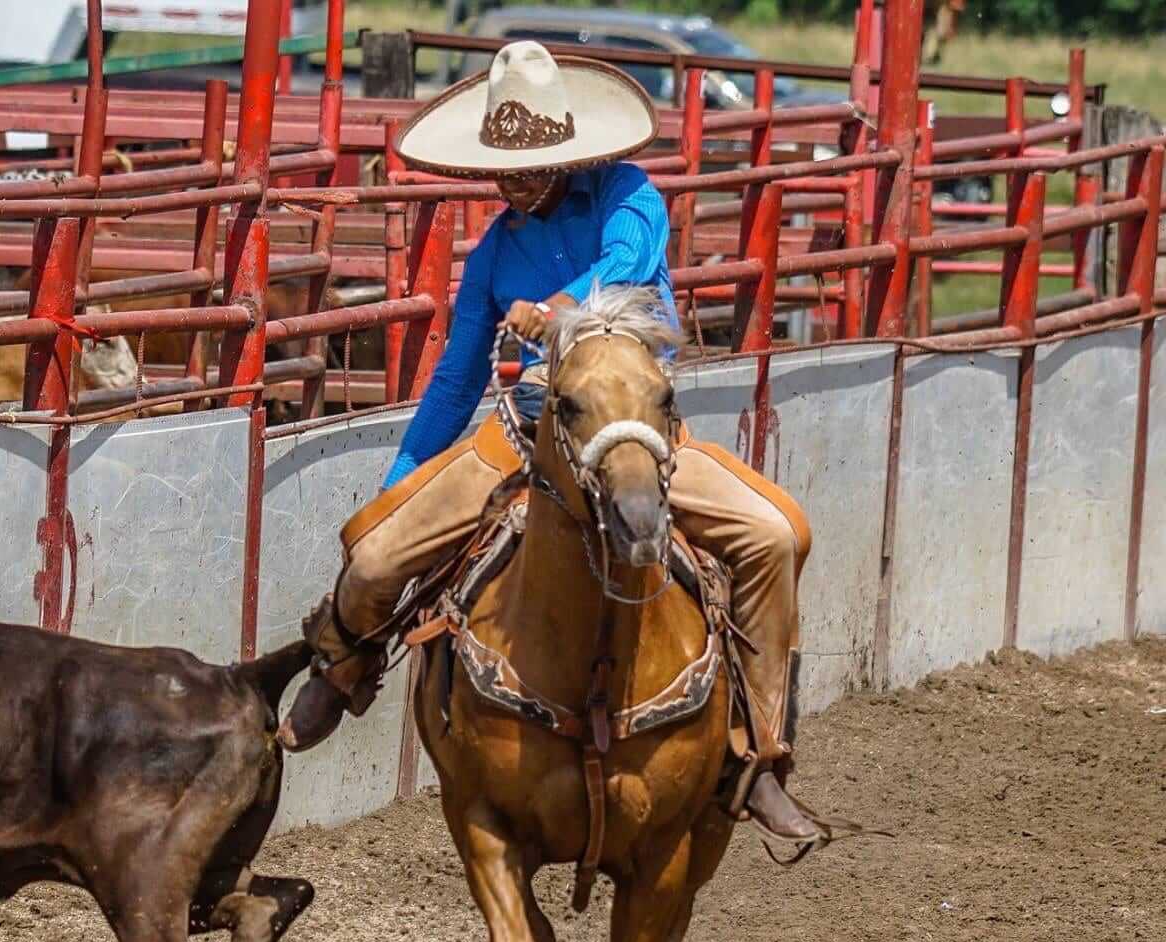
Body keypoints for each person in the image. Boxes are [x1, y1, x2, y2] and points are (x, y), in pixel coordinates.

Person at [279, 41, 824, 842]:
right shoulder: (496, 250)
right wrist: (404, 475)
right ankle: (345, 666)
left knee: (774, 537)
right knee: (374, 554)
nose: (517, 182)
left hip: (635, 426)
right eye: (505, 168)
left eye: (534, 165)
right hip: (530, 425)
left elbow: (627, 263)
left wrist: (556, 307)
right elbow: (459, 378)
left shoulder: (629, 197)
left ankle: (759, 754)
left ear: (574, 152)